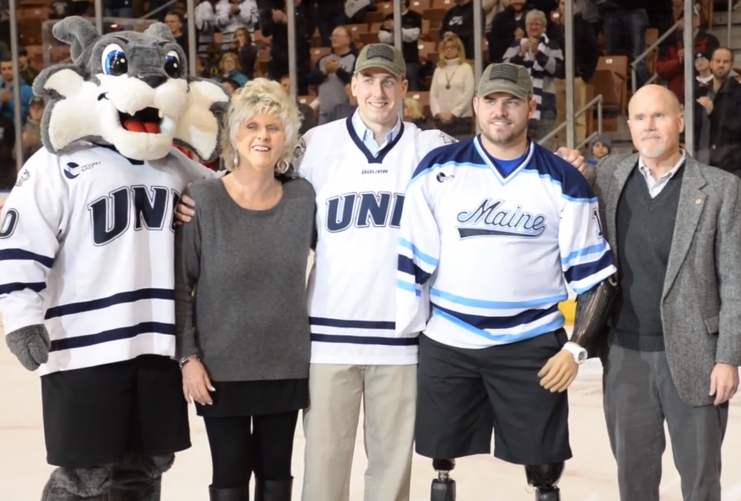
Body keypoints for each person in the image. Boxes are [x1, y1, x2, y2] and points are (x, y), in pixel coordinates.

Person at [175, 45, 588, 501]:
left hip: (401, 341)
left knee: (390, 473)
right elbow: (255, 175)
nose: (378, 91)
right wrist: (197, 191)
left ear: (405, 90)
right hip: (329, 340)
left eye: (389, 81)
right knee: (323, 470)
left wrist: (567, 161)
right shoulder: (316, 145)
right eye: (368, 80)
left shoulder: (433, 149)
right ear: (352, 88)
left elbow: (500, 155)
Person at [0, 16, 230, 501]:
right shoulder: (56, 164)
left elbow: (234, 191)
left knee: (144, 472)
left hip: (155, 345)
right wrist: (21, 319)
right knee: (83, 479)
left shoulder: (174, 162)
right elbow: (20, 246)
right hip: (81, 350)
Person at [395, 62, 617, 501]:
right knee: (441, 463)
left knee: (544, 468)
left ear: (531, 107)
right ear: (476, 106)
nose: (501, 110)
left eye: (512, 101)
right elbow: (411, 263)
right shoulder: (438, 169)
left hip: (531, 344)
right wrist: (412, 336)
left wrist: (575, 348)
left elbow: (597, 277)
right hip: (449, 341)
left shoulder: (562, 179)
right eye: (492, 100)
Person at [583, 84, 741, 501]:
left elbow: (736, 280)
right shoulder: (609, 176)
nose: (649, 126)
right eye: (640, 118)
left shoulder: (720, 188)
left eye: (659, 116)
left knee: (700, 483)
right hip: (624, 356)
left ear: (680, 121)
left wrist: (729, 357)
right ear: (629, 127)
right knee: (634, 481)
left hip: (696, 357)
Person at [174, 78, 314, 501]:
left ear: (286, 137)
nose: (263, 136)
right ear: (234, 134)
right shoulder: (202, 199)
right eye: (252, 126)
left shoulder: (303, 198)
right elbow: (183, 286)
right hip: (221, 370)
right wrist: (188, 357)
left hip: (285, 364)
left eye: (273, 127)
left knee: (276, 475)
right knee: (230, 476)